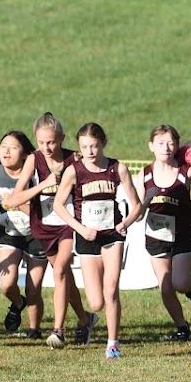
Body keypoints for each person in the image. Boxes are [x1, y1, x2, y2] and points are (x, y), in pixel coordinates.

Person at [6, 113, 94, 350]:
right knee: (65, 277)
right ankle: (85, 320)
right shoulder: (34, 160)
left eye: (51, 142)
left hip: (68, 225)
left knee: (60, 272)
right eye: (41, 142)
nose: (46, 147)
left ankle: (58, 331)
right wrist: (43, 185)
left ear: (62, 139)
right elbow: (14, 198)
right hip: (44, 226)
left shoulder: (74, 159)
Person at [54, 124, 141, 358]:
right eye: (84, 147)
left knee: (111, 290)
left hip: (112, 235)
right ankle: (91, 319)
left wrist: (125, 223)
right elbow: (58, 206)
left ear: (103, 143)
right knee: (96, 303)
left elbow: (137, 205)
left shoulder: (117, 168)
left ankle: (113, 344)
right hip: (87, 237)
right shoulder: (73, 171)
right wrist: (81, 229)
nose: (90, 151)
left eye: (94, 146)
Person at [133, 125, 191, 342]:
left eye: (170, 143)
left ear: (176, 146)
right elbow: (137, 215)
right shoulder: (144, 176)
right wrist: (146, 201)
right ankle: (182, 327)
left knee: (180, 282)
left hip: (182, 233)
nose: (165, 148)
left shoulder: (187, 173)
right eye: (160, 143)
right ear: (151, 146)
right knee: (166, 287)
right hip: (157, 236)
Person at [0, 131, 47, 338]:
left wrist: (17, 202)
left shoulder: (35, 175)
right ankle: (18, 303)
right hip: (9, 232)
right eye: (3, 146)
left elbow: (40, 212)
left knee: (33, 289)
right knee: (7, 284)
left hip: (36, 234)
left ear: (25, 154)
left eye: (13, 147)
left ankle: (34, 330)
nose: (6, 151)